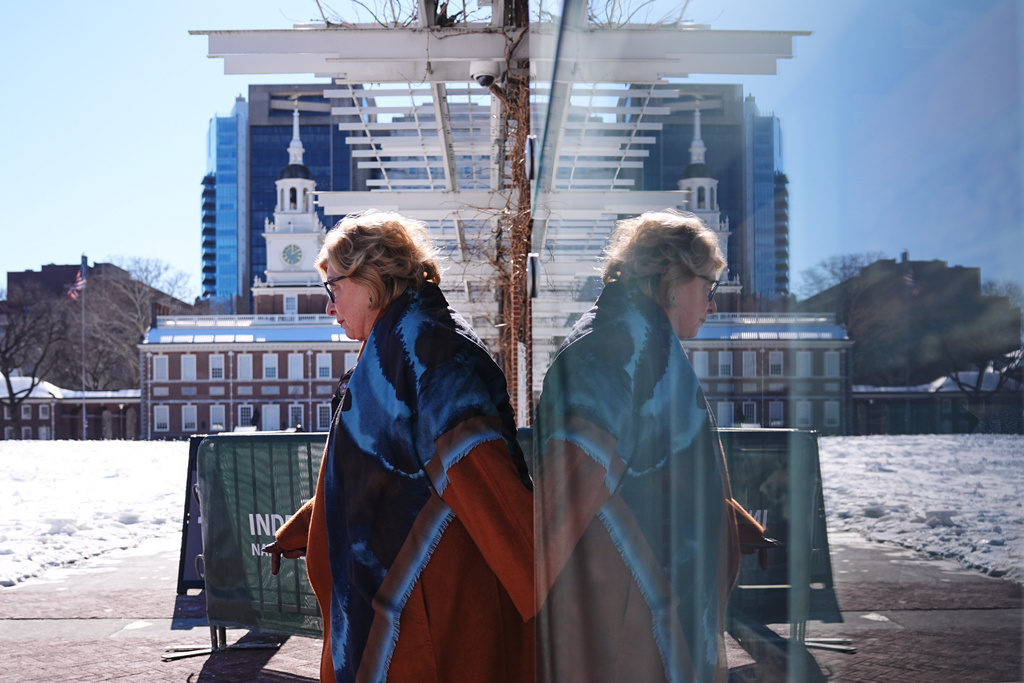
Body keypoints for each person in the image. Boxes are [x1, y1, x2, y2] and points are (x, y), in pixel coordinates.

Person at [263, 210, 535, 683]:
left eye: (334, 287)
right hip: (397, 605)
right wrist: (310, 525)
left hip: (424, 614)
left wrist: (549, 588)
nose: (329, 306)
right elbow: (383, 469)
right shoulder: (394, 346)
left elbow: (478, 467)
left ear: (370, 280)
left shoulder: (424, 346)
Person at [534, 210, 766, 683]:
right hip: (633, 623)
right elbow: (568, 490)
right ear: (671, 277)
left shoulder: (638, 337)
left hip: (653, 607)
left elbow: (644, 463)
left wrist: (721, 515)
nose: (712, 306)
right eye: (709, 288)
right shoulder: (615, 344)